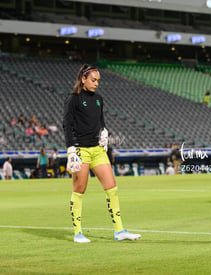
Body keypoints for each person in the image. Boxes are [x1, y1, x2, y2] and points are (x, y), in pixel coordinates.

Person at [63, 64, 141, 243]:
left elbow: (101, 122)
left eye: (98, 80)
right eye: (93, 80)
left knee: (112, 187)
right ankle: (78, 233)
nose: (96, 83)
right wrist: (71, 149)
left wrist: (104, 133)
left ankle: (119, 231)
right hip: (80, 150)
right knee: (79, 189)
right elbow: (67, 125)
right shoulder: (73, 99)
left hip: (98, 150)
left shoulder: (99, 99)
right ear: (83, 79)